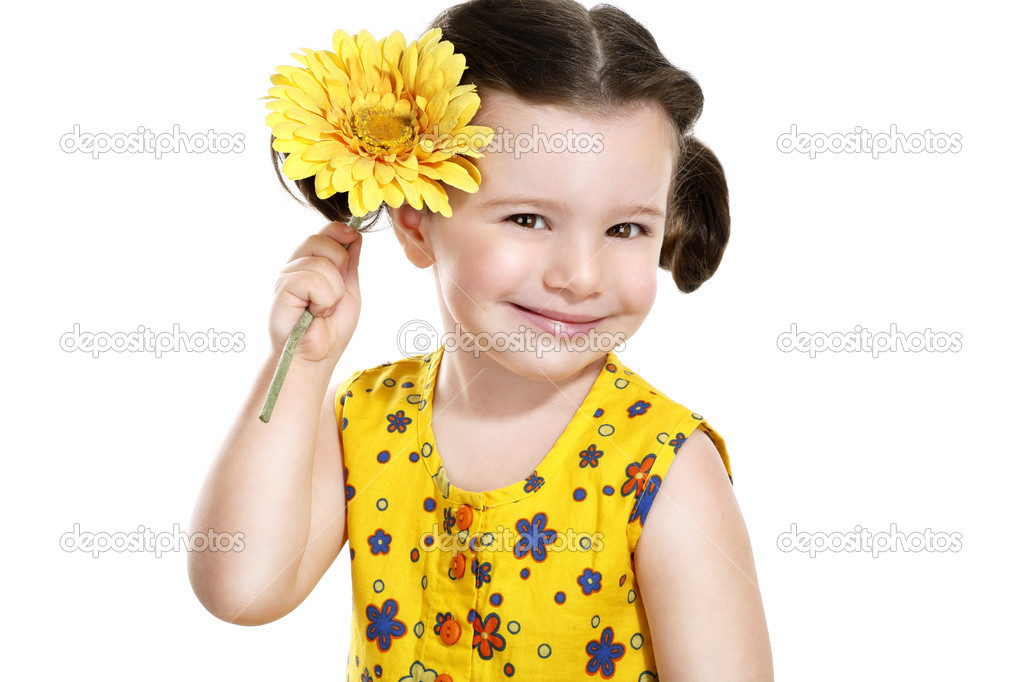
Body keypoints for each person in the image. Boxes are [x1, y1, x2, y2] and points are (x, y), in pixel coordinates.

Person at [189, 0, 773, 679]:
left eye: (625, 230)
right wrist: (300, 364)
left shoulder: (663, 468)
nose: (580, 277)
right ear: (415, 224)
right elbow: (240, 589)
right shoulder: (368, 420)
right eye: (528, 219)